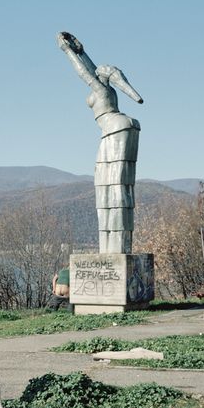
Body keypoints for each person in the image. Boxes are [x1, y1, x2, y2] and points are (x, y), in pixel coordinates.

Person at [57, 32, 143, 254]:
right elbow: (94, 69)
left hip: (114, 128)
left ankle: (113, 248)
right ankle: (117, 246)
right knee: (118, 185)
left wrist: (67, 51)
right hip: (123, 125)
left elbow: (83, 72)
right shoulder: (108, 89)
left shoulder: (101, 89)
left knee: (110, 185)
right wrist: (81, 50)